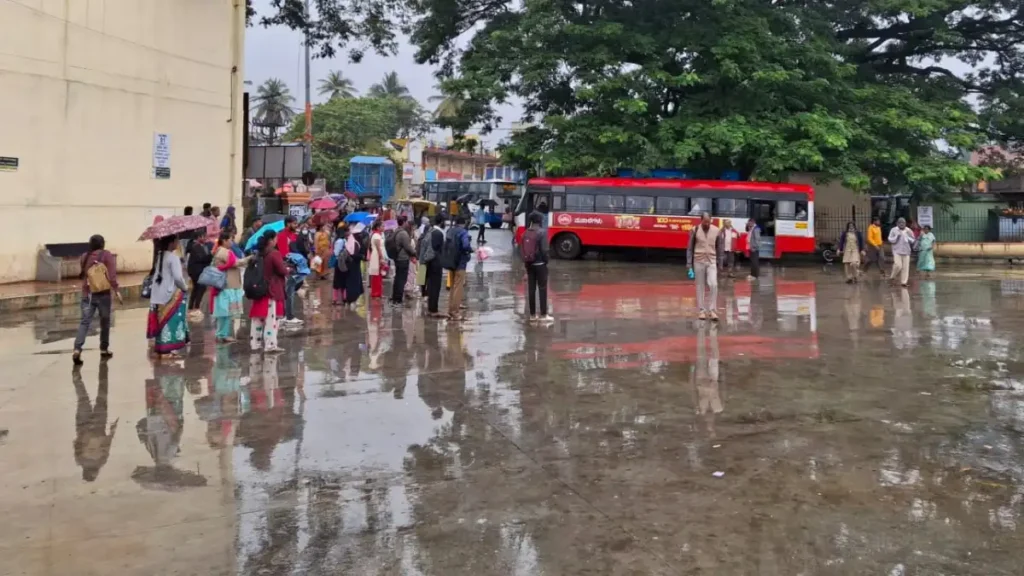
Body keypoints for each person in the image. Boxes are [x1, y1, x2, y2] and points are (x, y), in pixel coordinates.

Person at [72, 234, 121, 365]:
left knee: (85, 322)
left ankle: (77, 349)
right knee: (105, 322)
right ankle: (104, 349)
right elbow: (112, 276)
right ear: (102, 244)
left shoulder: (84, 256)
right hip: (103, 294)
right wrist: (116, 290)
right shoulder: (107, 256)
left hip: (87, 294)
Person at [72, 362, 117, 481]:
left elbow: (107, 445)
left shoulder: (101, 461)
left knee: (102, 395)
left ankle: (103, 368)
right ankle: (76, 378)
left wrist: (112, 432)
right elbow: (75, 444)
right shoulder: (80, 460)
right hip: (84, 427)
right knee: (83, 399)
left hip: (98, 425)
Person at [147, 235, 190, 356]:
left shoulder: (159, 256)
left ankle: (161, 346)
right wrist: (185, 288)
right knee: (172, 320)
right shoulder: (173, 258)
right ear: (171, 243)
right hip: (169, 294)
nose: (178, 243)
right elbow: (178, 278)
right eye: (176, 241)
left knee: (161, 319)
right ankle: (169, 347)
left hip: (157, 294)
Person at [249, 231, 287, 353]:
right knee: (271, 319)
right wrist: (288, 269)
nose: (277, 241)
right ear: (270, 240)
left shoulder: (259, 254)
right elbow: (282, 270)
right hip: (271, 290)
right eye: (275, 239)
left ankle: (255, 344)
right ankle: (270, 345)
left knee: (257, 319)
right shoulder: (274, 253)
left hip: (259, 289)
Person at [210, 231, 248, 343]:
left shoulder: (224, 251)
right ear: (225, 241)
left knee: (226, 312)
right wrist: (248, 259)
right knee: (225, 312)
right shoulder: (223, 252)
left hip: (228, 284)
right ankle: (222, 334)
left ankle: (222, 334)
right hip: (227, 285)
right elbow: (235, 263)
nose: (232, 242)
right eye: (230, 240)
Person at [686, 213, 723, 321]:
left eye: (709, 221)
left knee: (713, 284)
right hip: (698, 261)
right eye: (705, 221)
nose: (707, 223)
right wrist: (689, 265)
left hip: (711, 261)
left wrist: (720, 263)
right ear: (701, 220)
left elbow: (720, 248)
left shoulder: (717, 231)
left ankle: (712, 310)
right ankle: (702, 310)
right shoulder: (695, 230)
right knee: (700, 286)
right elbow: (690, 248)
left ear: (711, 220)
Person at [522, 212, 552, 322]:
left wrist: (526, 265)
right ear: (539, 221)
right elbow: (544, 250)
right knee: (542, 289)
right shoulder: (542, 232)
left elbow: (523, 251)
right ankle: (544, 315)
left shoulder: (525, 233)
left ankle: (532, 315)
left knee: (531, 290)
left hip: (529, 265)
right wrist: (546, 261)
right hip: (540, 265)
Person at [446, 215, 473, 320]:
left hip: (450, 262)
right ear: (463, 223)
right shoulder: (463, 232)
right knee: (458, 287)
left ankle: (450, 309)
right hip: (460, 264)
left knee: (452, 287)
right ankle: (455, 312)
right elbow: (466, 246)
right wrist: (471, 250)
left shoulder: (449, 231)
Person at [185, 234, 213, 318]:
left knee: (197, 288)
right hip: (196, 271)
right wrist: (211, 255)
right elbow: (202, 258)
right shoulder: (195, 247)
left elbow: (206, 259)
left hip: (201, 270)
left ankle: (192, 306)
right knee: (200, 288)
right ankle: (196, 307)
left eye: (205, 236)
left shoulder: (204, 246)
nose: (204, 238)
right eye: (202, 236)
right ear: (198, 238)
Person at [392, 216, 416, 305]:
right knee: (401, 279)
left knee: (398, 278)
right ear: (404, 222)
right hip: (403, 259)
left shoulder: (396, 231)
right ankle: (398, 300)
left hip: (397, 258)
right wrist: (414, 253)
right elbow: (408, 247)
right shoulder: (403, 233)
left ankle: (395, 298)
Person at [426, 215, 447, 317]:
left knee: (430, 285)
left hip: (429, 261)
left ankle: (430, 308)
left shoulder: (430, 231)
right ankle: (433, 310)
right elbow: (439, 249)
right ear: (441, 222)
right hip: (436, 262)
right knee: (435, 286)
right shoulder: (439, 234)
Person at [889, 217, 915, 287]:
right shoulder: (894, 230)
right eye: (900, 222)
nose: (901, 224)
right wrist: (896, 237)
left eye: (903, 223)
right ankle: (892, 276)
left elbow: (913, 240)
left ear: (905, 223)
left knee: (905, 268)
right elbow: (890, 239)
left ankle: (904, 282)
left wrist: (907, 237)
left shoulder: (908, 230)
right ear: (897, 223)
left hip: (906, 251)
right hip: (897, 251)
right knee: (898, 265)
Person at [367, 219, 387, 299]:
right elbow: (378, 248)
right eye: (382, 226)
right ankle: (376, 293)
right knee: (376, 275)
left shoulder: (378, 235)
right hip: (376, 256)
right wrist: (381, 258)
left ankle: (378, 293)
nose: (384, 227)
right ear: (378, 227)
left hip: (377, 255)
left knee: (379, 275)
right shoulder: (376, 236)